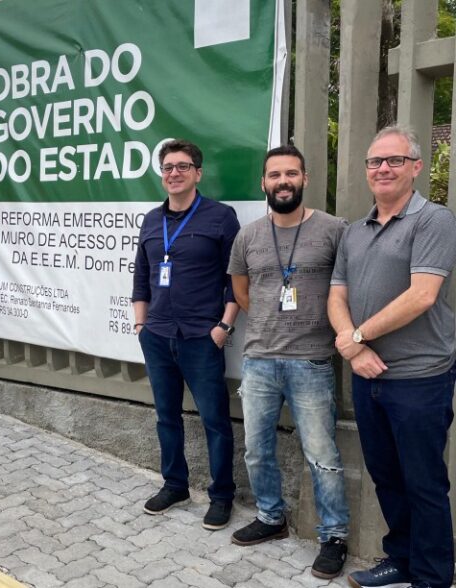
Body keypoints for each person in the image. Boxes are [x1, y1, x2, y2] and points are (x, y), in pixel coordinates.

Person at [328, 126, 456, 588]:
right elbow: (335, 293)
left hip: (419, 378)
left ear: (416, 167)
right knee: (386, 477)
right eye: (374, 162)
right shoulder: (355, 231)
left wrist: (357, 335)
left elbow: (421, 296)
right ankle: (400, 559)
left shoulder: (433, 220)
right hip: (367, 375)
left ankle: (433, 576)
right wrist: (353, 345)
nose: (382, 168)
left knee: (424, 484)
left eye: (394, 160)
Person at [227, 145, 349, 578]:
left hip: (312, 360)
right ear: (264, 183)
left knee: (322, 454)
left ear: (305, 179)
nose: (283, 181)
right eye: (274, 174)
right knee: (257, 451)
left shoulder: (334, 230)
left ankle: (333, 535)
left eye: (291, 174)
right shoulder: (248, 236)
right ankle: (271, 517)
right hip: (260, 359)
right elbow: (242, 291)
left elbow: (347, 287)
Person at [132, 139, 240, 529]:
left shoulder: (220, 217)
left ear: (198, 172)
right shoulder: (150, 220)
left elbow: (235, 279)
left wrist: (223, 326)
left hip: (201, 337)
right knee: (167, 417)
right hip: (158, 335)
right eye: (167, 168)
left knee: (214, 419)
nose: (174, 173)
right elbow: (141, 277)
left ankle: (222, 495)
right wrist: (141, 325)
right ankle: (175, 484)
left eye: (182, 166)